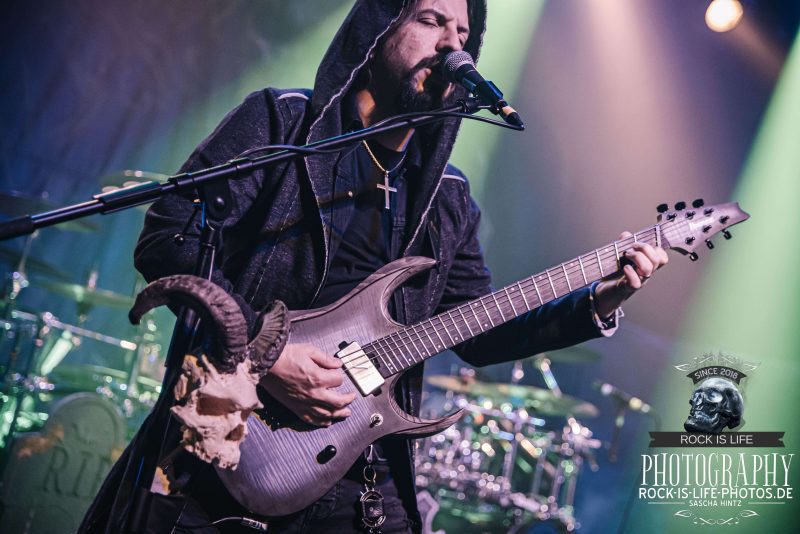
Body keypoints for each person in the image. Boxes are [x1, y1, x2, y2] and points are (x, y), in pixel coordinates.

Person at [82, 0, 668, 532]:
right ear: (379, 27)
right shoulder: (283, 123)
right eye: (432, 20)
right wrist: (265, 348)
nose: (452, 44)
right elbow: (169, 238)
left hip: (361, 475)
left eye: (464, 34)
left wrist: (599, 301)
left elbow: (479, 333)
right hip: (232, 438)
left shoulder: (447, 198)